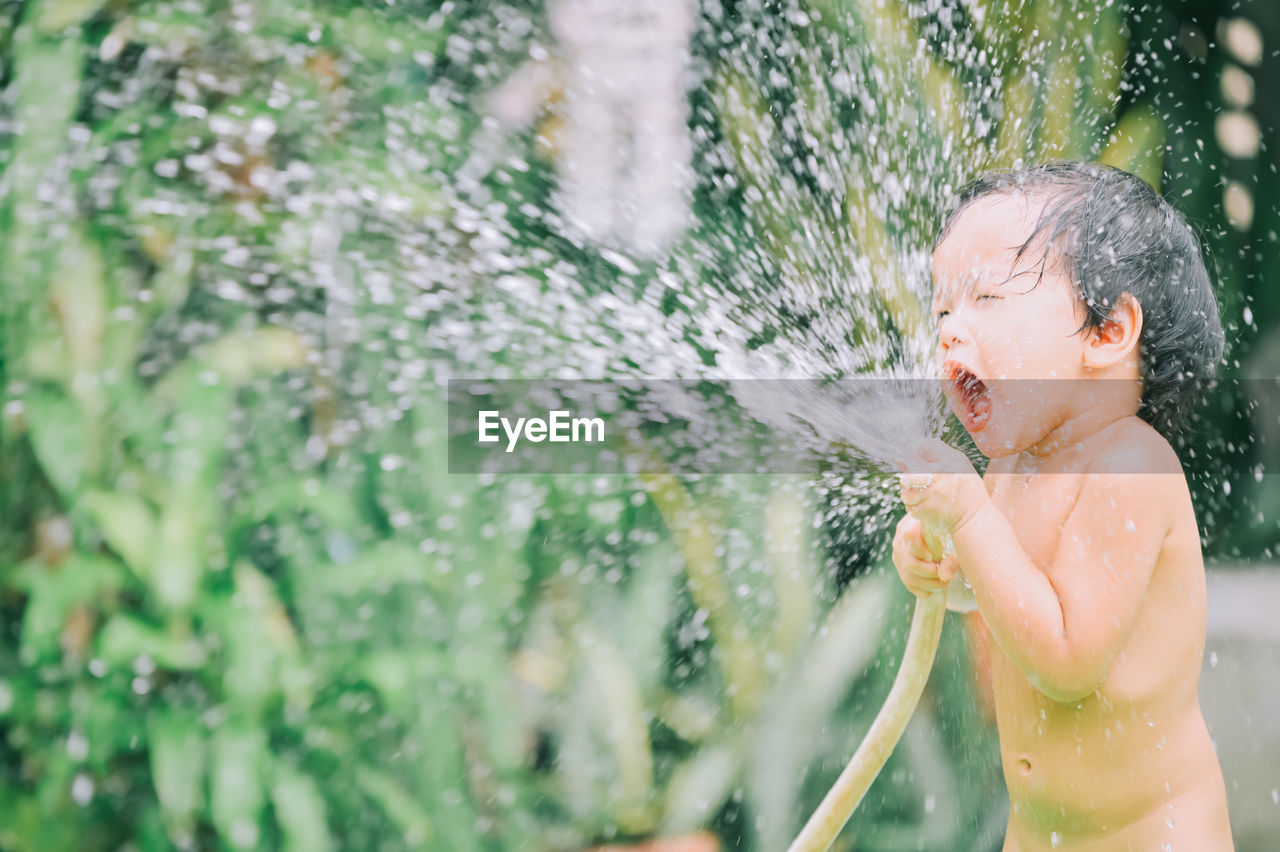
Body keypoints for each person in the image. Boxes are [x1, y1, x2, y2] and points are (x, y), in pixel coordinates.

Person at [891, 162, 1234, 850]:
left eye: (986, 298)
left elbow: (1067, 657)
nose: (952, 331)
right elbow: (1001, 596)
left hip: (1149, 835)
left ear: (1107, 332)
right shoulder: (1014, 463)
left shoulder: (1129, 468)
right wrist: (942, 561)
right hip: (1040, 834)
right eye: (943, 310)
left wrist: (967, 516)